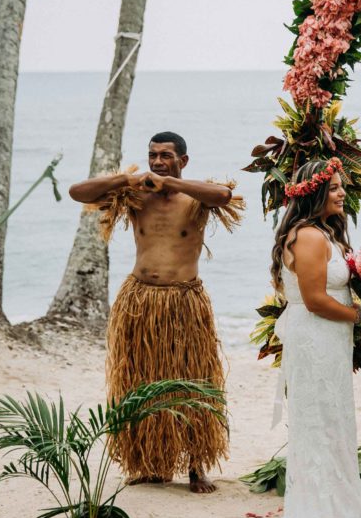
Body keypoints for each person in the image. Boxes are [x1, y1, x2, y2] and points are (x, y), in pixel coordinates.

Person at [68, 131, 244, 493]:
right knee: (140, 384)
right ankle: (150, 464)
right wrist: (125, 178)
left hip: (183, 303)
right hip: (140, 302)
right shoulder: (135, 195)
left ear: (183, 160)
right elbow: (78, 192)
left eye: (166, 155)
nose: (158, 161)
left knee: (194, 384)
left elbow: (224, 196)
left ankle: (197, 467)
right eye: (153, 155)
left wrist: (170, 182)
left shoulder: (195, 198)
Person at [269, 157, 361, 518]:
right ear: (317, 193)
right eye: (336, 187)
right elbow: (314, 300)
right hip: (316, 335)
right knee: (319, 418)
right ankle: (319, 509)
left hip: (329, 337)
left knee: (331, 416)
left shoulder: (321, 232)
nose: (343, 193)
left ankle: (337, 498)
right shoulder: (307, 236)